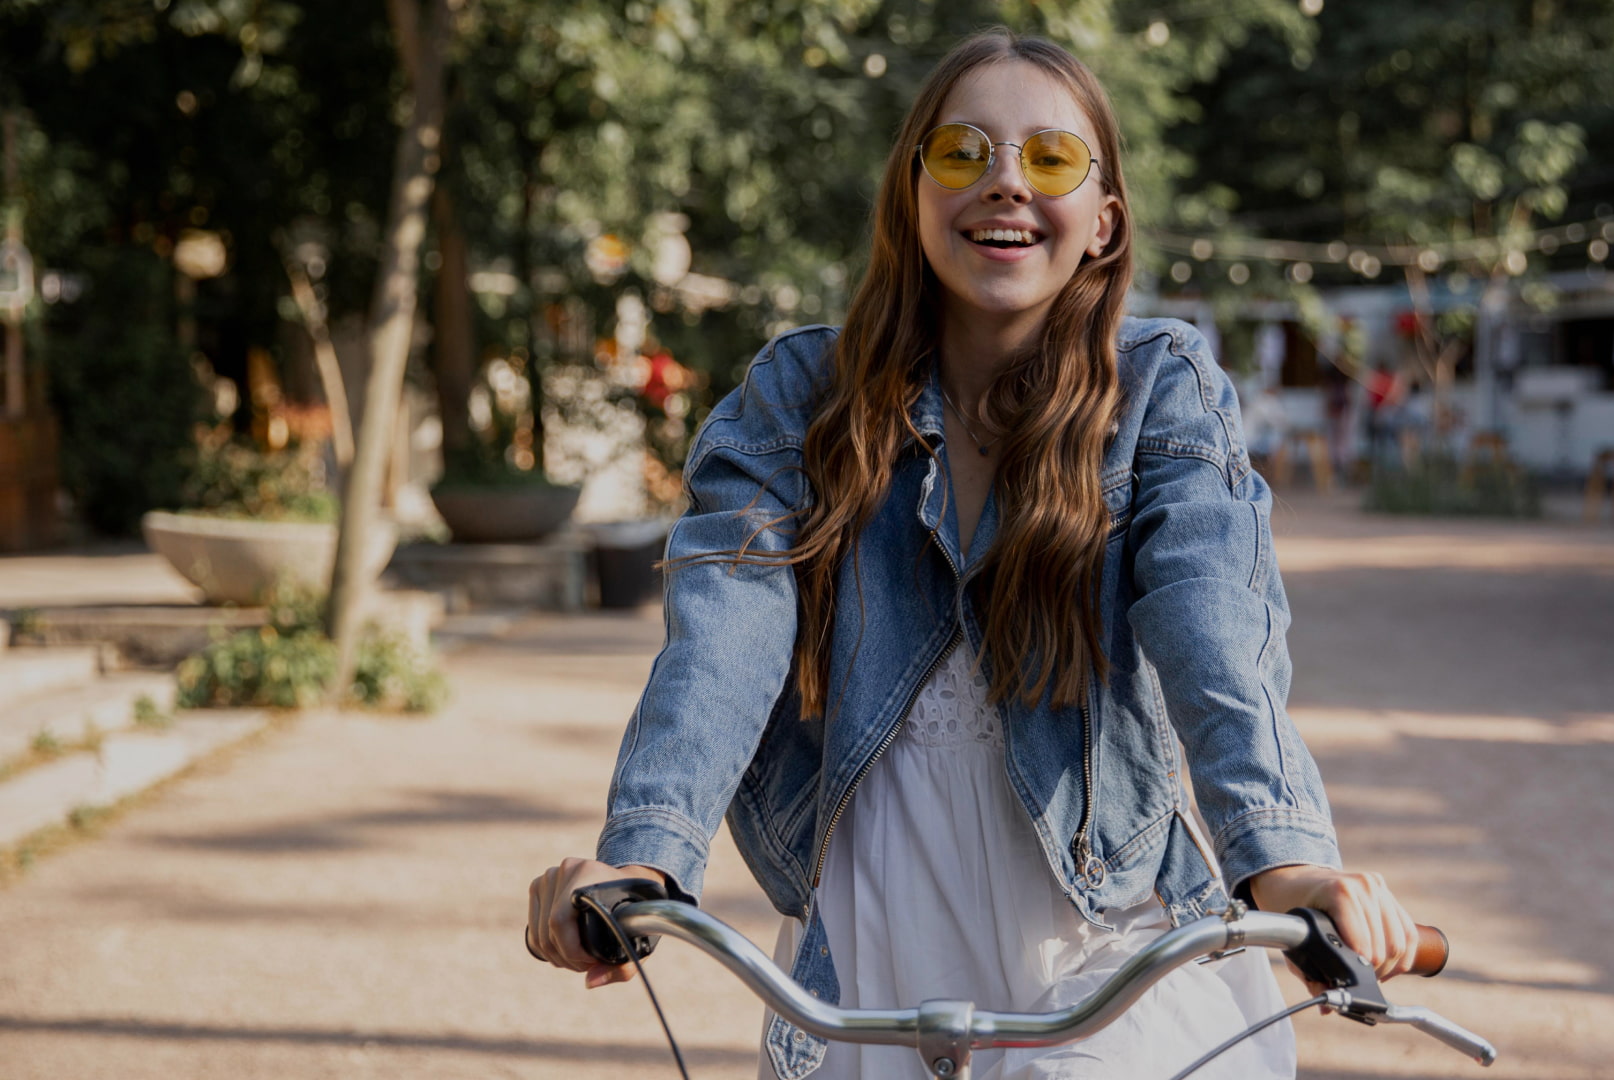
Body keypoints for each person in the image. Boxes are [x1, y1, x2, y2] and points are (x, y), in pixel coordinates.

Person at [525, 29, 1424, 1080]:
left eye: (1050, 157)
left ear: (1104, 219)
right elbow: (724, 632)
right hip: (868, 947)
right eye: (963, 153)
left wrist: (1289, 864)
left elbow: (1215, 632)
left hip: (1104, 947)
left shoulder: (1160, 390)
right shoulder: (798, 399)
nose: (1006, 181)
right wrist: (643, 855)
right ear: (913, 195)